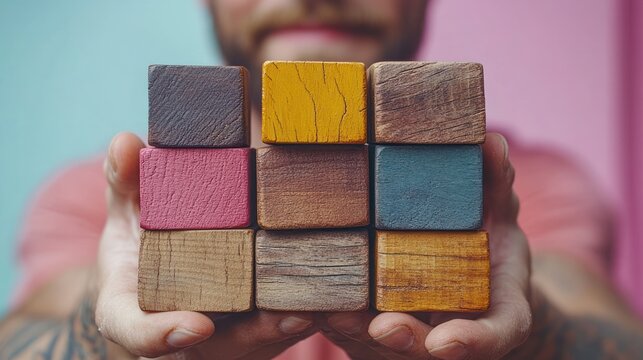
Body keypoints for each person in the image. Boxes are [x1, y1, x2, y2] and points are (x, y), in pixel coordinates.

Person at [1, 1, 642, 359]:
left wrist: (528, 330)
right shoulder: (108, 192)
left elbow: (612, 334)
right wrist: (110, 331)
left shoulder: (520, 182)